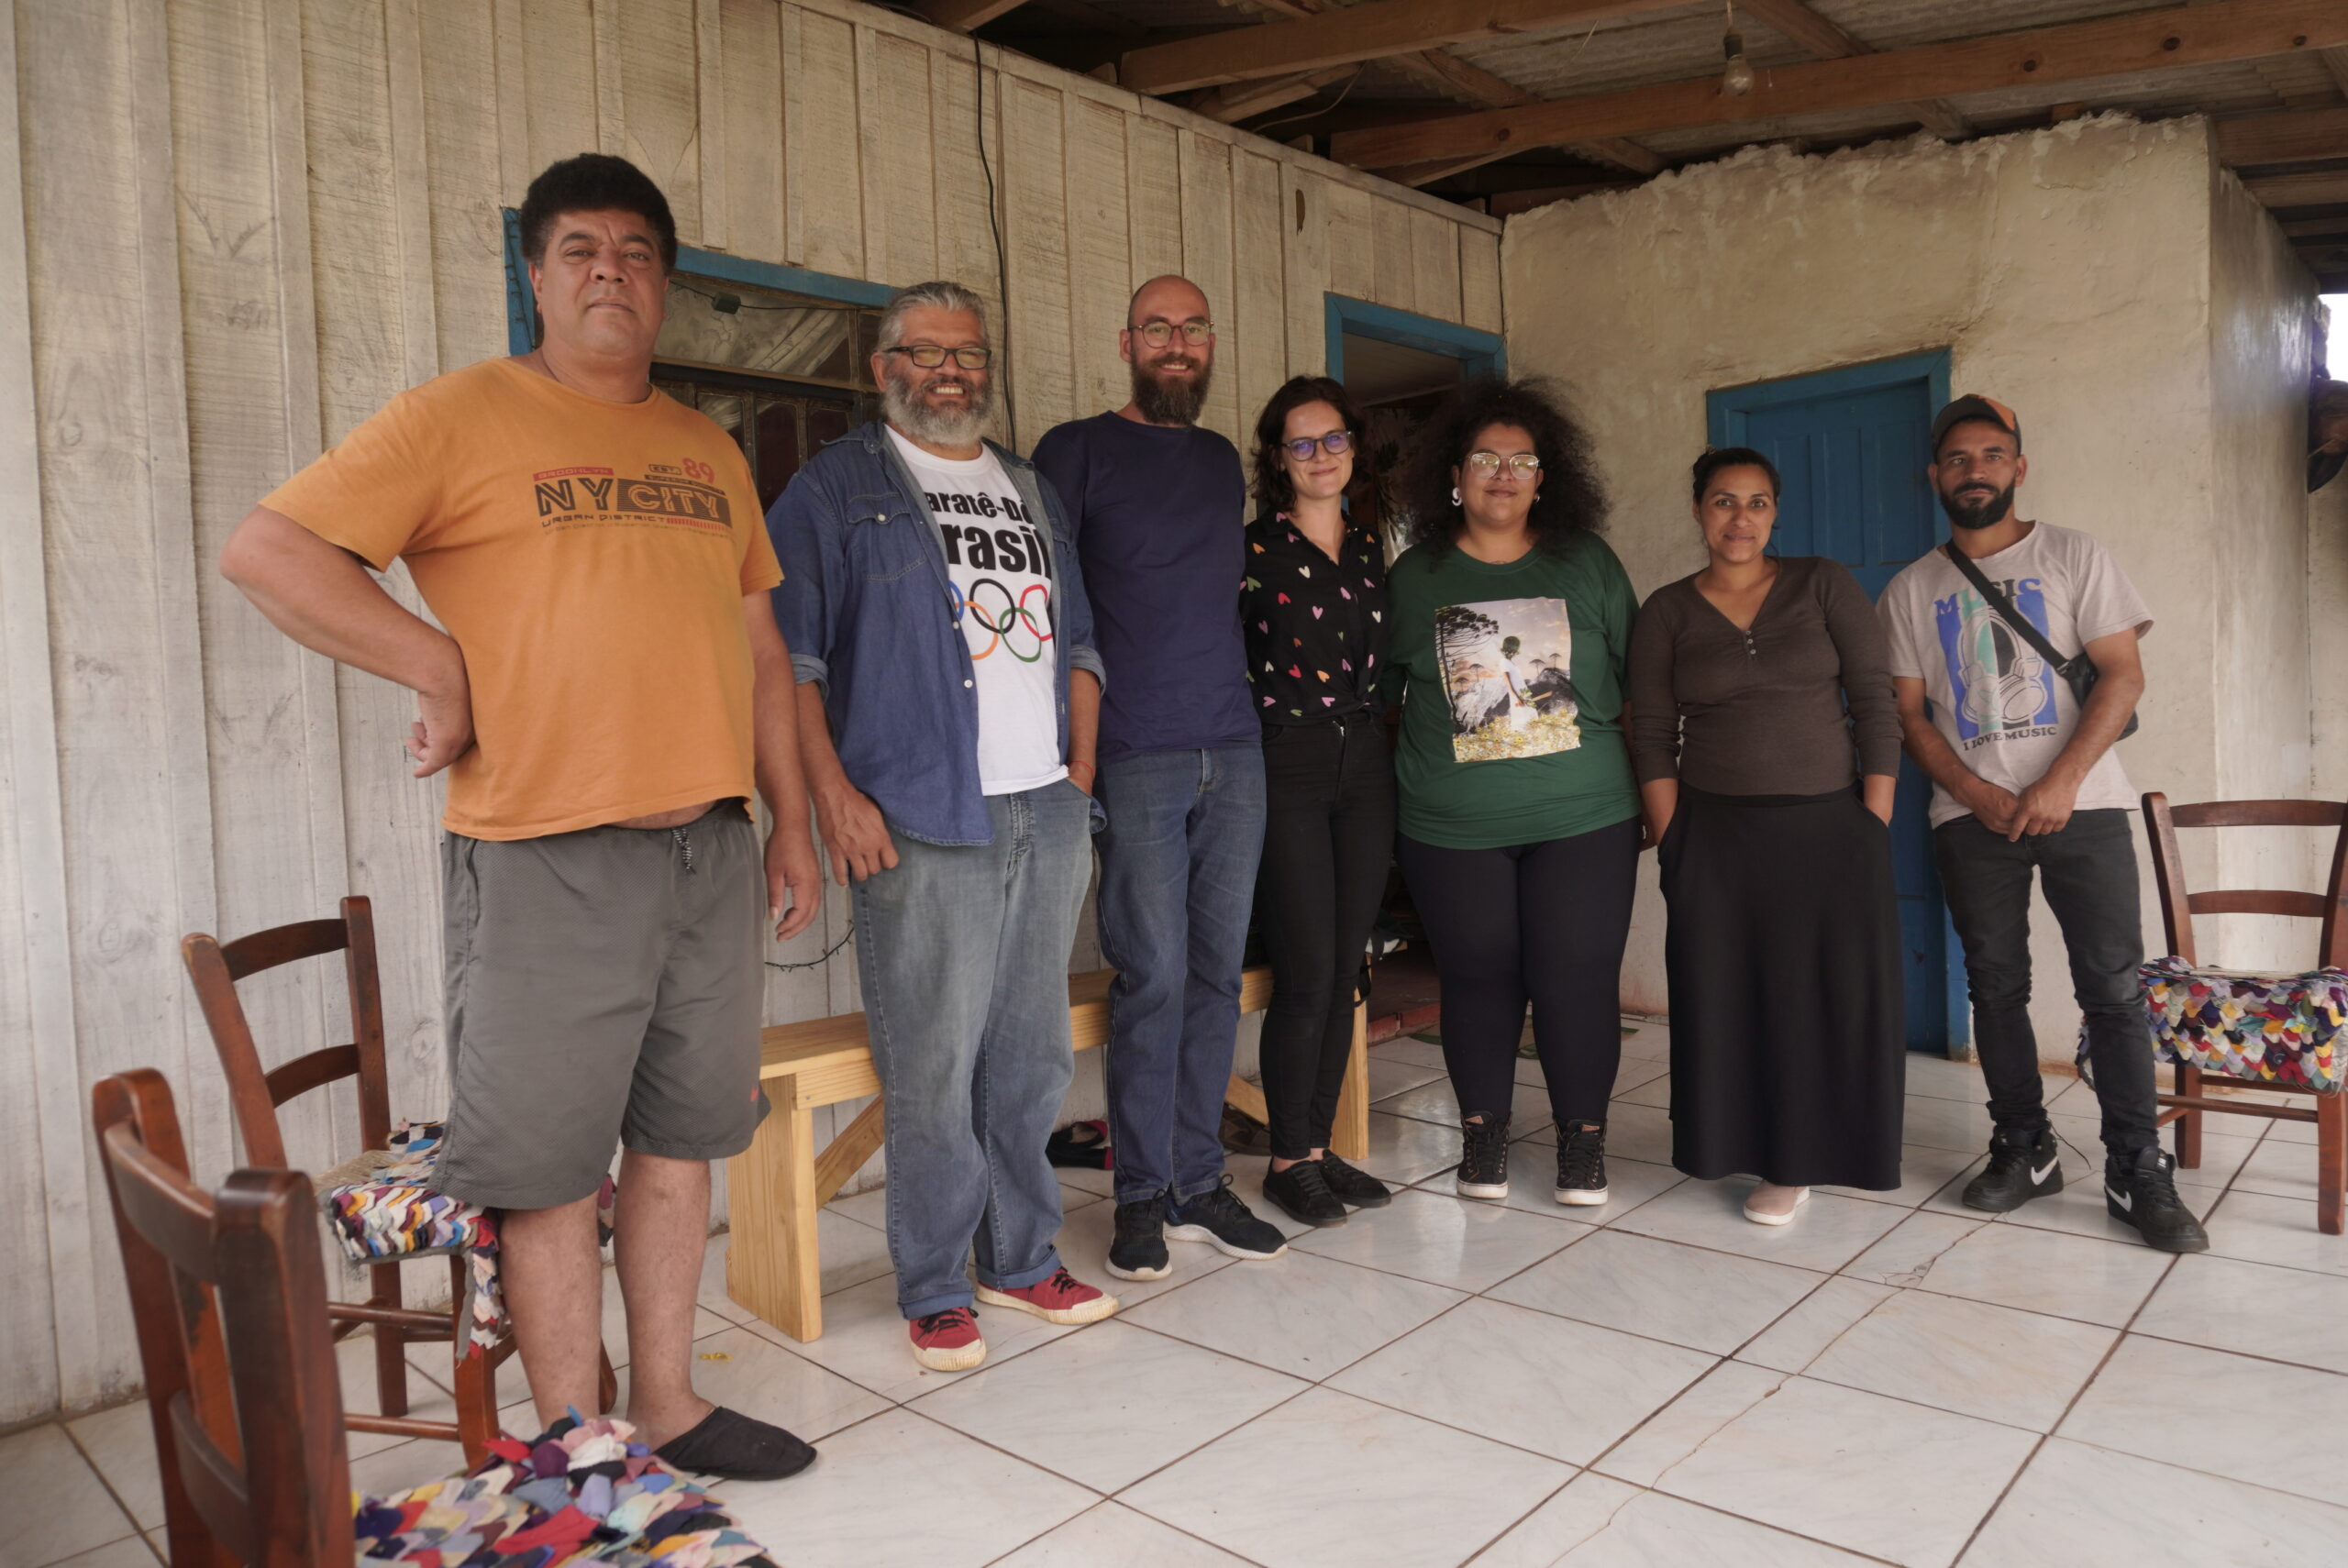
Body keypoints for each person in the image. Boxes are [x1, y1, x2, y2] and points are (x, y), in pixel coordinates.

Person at [218, 155, 822, 1479]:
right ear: (538, 276)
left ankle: (664, 1400)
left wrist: (788, 819)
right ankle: (579, 1441)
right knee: (548, 1166)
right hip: (547, 854)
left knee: (681, 1139)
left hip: (709, 850)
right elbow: (271, 549)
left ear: (663, 284)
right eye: (579, 249)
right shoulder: (462, 415)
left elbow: (763, 647)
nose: (610, 269)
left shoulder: (708, 446)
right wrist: (435, 664)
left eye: (637, 252)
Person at [767, 281, 1120, 1370]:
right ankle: (931, 1283)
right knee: (930, 1064)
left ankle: (1018, 1260)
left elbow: (1080, 640)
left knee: (1026, 1063)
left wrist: (1079, 767)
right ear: (883, 369)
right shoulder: (834, 488)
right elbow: (788, 662)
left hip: (1044, 811)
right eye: (924, 354)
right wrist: (830, 797)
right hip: (918, 810)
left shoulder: (1025, 484)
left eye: (967, 353)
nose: (950, 371)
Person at [1878, 394, 2208, 1253]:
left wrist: (2060, 780)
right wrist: (1976, 791)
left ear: (2019, 467)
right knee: (1996, 985)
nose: (1974, 470)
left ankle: (2138, 1167)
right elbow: (1909, 717)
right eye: (1957, 459)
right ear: (1935, 476)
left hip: (2086, 807)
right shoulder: (1913, 588)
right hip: (1968, 816)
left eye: (1991, 455)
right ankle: (2023, 1147)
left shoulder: (2074, 554)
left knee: (2112, 989)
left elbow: (2123, 677)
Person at [1033, 275, 1287, 1280]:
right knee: (1155, 978)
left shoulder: (1222, 461)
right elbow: (1053, 611)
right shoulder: (1076, 451)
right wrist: (1079, 753)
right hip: (1134, 752)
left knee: (1218, 974)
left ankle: (1196, 1177)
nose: (1175, 344)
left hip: (1235, 744)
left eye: (1191, 329)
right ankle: (1138, 1195)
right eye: (1156, 329)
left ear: (1210, 343)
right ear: (1126, 340)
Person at [1628, 448, 1905, 1225]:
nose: (1739, 519)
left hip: (1829, 829)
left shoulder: (1822, 584)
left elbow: (1875, 703)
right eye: (1723, 502)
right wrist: (1673, 834)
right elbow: (1649, 732)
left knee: (1820, 998)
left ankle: (1801, 1159)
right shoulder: (1668, 611)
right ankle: (1731, 1147)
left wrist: (1870, 819)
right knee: (1727, 998)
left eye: (1755, 502)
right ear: (1698, 511)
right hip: (1715, 836)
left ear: (1775, 511)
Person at [1387, 379, 1641, 1208]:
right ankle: (1484, 1136)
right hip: (1452, 825)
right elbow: (1384, 696)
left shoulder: (1589, 563)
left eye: (1522, 460)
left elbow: (1639, 685)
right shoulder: (1414, 576)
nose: (1504, 473)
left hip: (1585, 815)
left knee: (1575, 974)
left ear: (1546, 476)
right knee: (1477, 977)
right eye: (1486, 458)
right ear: (1454, 474)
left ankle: (1583, 1142)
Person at [1240, 376, 1398, 1227]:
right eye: (1301, 444)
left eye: (1333, 439)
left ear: (1352, 447)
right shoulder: (1252, 552)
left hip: (1366, 762)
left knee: (1346, 971)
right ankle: (1286, 1158)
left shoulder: (1373, 548)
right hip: (1288, 762)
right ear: (1277, 458)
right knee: (1304, 972)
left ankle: (1319, 1143)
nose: (1321, 457)